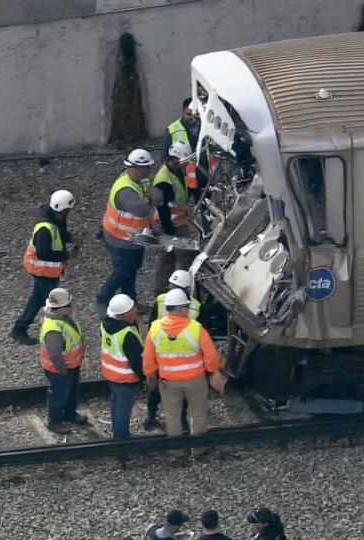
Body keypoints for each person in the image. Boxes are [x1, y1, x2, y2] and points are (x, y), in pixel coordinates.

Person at [142, 289, 222, 456]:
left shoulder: (155, 329)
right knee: (198, 414)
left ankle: (177, 451)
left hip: (168, 381)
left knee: (172, 416)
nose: (187, 309)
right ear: (179, 309)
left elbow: (148, 357)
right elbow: (212, 356)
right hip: (195, 380)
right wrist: (211, 371)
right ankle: (199, 449)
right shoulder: (196, 328)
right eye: (185, 307)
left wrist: (150, 374)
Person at [11, 189, 79, 345]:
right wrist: (66, 255)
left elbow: (59, 234)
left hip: (44, 270)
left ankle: (20, 328)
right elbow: (43, 253)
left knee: (37, 299)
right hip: (42, 270)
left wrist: (68, 237)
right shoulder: (46, 228)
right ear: (64, 209)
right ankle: (58, 331)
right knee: (55, 302)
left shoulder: (54, 218)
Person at [98, 148, 161, 311]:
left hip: (133, 238)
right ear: (137, 169)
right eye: (147, 167)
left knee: (130, 271)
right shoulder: (124, 189)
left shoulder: (140, 181)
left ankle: (131, 302)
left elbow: (155, 193)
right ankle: (103, 297)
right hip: (121, 239)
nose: (149, 170)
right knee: (122, 271)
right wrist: (150, 199)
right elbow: (141, 209)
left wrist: (151, 198)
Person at [39, 287, 89, 434]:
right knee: (58, 395)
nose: (72, 306)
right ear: (61, 308)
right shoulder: (54, 329)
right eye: (69, 304)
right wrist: (63, 370)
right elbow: (55, 354)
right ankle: (54, 422)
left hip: (71, 366)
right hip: (60, 369)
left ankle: (69, 413)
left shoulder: (61, 318)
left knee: (72, 391)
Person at [151, 141, 197, 295]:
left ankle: (163, 288)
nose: (184, 165)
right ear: (174, 159)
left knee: (169, 257)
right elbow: (162, 208)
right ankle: (181, 287)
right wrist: (169, 231)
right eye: (182, 162)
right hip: (170, 224)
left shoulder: (174, 171)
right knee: (184, 253)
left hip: (177, 222)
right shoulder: (163, 180)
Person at [100, 294, 144, 438]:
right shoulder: (127, 334)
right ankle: (121, 439)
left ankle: (117, 431)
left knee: (116, 404)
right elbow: (136, 361)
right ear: (124, 314)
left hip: (111, 374)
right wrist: (144, 377)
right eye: (132, 309)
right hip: (126, 377)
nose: (136, 310)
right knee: (123, 410)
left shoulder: (105, 324)